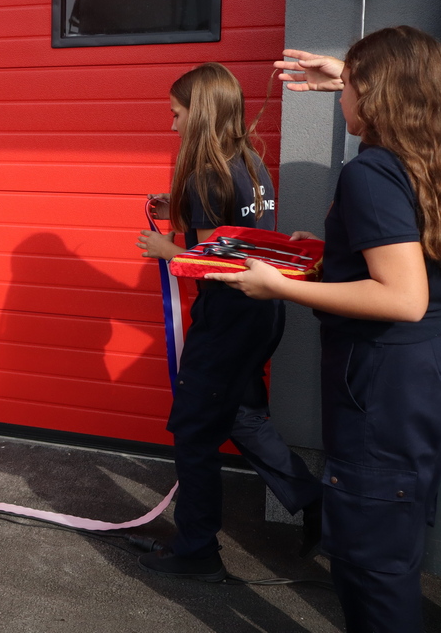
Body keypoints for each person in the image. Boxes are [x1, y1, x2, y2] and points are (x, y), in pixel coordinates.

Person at [210, 27, 441, 631]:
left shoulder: (372, 172)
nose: (341, 96)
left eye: (349, 86)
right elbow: (416, 258)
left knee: (372, 566)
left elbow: (402, 296)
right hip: (438, 373)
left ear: (373, 93)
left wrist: (280, 286)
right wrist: (338, 253)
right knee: (394, 533)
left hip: (387, 390)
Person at [136, 63, 322, 580]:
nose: (172, 125)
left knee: (194, 433)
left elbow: (214, 263)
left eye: (177, 114)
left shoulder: (205, 175)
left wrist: (166, 249)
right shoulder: (249, 162)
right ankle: (317, 504)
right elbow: (236, 236)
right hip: (261, 316)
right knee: (241, 416)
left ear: (199, 113)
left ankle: (196, 552)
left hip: (227, 322)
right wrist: (177, 207)